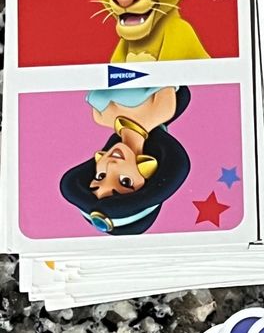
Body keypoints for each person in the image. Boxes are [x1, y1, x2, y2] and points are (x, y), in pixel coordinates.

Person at [59, 85, 191, 235]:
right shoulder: (162, 110)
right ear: (149, 173)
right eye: (125, 181)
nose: (111, 165)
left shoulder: (101, 117)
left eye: (100, 176)